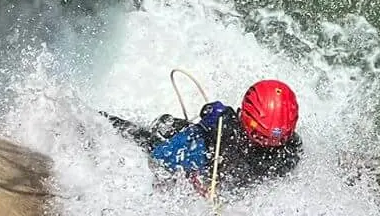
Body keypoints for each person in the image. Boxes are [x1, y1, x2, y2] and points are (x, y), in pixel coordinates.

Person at [105, 80, 302, 195]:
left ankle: (99, 121)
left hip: (196, 168)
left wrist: (213, 117)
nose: (268, 144)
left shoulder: (225, 133)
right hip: (213, 173)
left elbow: (159, 159)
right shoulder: (291, 150)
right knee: (165, 132)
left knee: (152, 140)